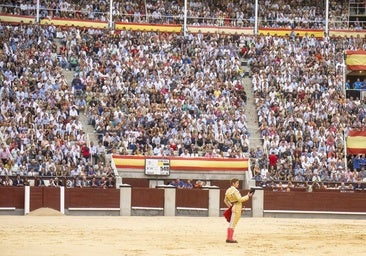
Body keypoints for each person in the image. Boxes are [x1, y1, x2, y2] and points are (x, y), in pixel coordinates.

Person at [223, 178, 254, 243]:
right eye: (237, 183)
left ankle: (229, 238)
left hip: (234, 206)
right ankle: (230, 238)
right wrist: (248, 196)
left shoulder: (228, 190)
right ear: (233, 183)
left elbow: (225, 200)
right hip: (237, 207)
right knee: (233, 224)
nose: (238, 184)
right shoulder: (235, 191)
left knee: (232, 223)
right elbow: (240, 199)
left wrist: (231, 207)